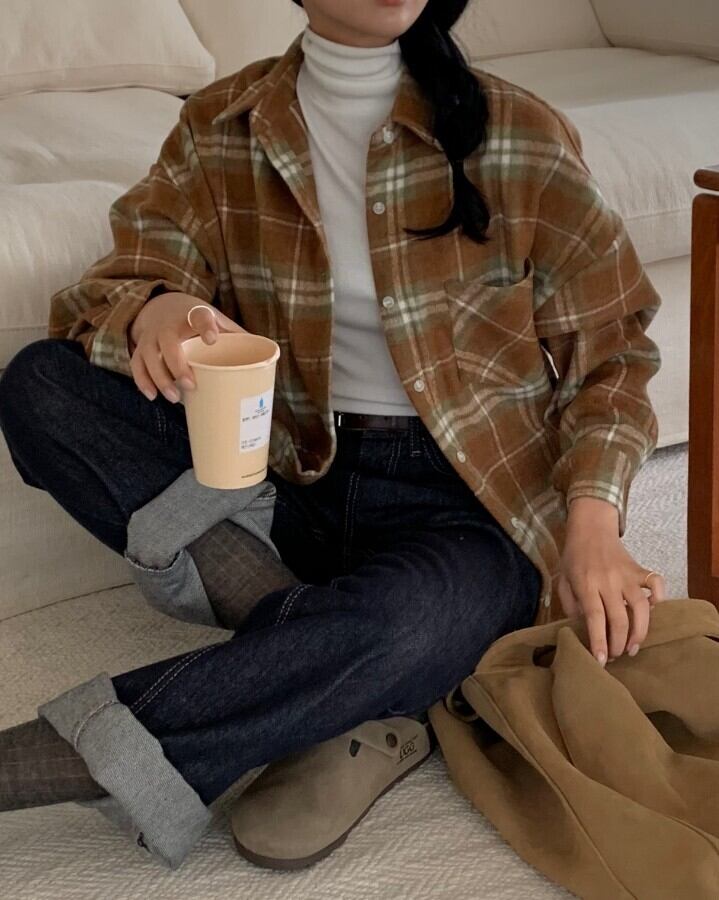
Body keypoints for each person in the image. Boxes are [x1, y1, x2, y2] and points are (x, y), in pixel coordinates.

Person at [0, 0, 667, 873]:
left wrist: (593, 524)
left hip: (468, 514)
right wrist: (154, 306)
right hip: (288, 481)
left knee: (406, 621)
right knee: (43, 385)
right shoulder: (222, 125)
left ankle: (32, 765)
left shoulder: (517, 131)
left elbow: (612, 351)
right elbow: (129, 273)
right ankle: (339, 677)